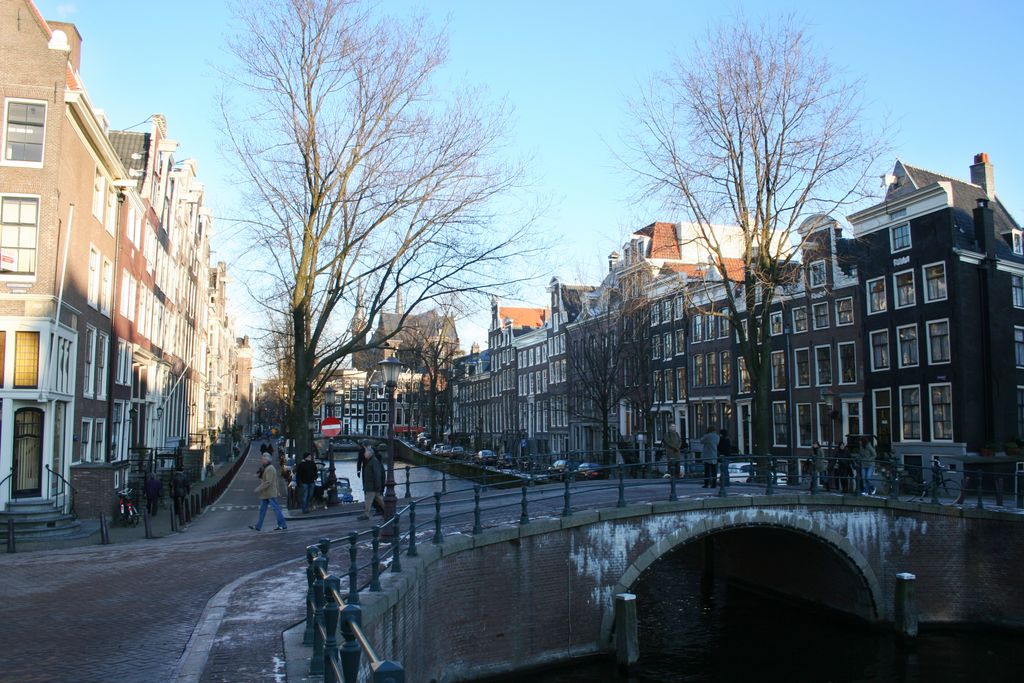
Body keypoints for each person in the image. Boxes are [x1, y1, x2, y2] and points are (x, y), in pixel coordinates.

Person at [249, 453, 288, 531]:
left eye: (263, 459)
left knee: (276, 509)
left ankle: (283, 525)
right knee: (262, 511)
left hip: (269, 493)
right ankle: (258, 526)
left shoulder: (270, 468)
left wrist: (258, 489)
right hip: (266, 493)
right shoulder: (267, 468)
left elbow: (268, 482)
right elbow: (274, 480)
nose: (261, 461)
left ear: (266, 460)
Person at [358, 446, 384, 521]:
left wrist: (377, 485)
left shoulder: (373, 462)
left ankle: (366, 514)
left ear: (370, 453)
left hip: (372, 486)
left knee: (368, 500)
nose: (364, 454)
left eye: (365, 453)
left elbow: (377, 474)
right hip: (371, 486)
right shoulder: (371, 461)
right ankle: (389, 511)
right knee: (379, 500)